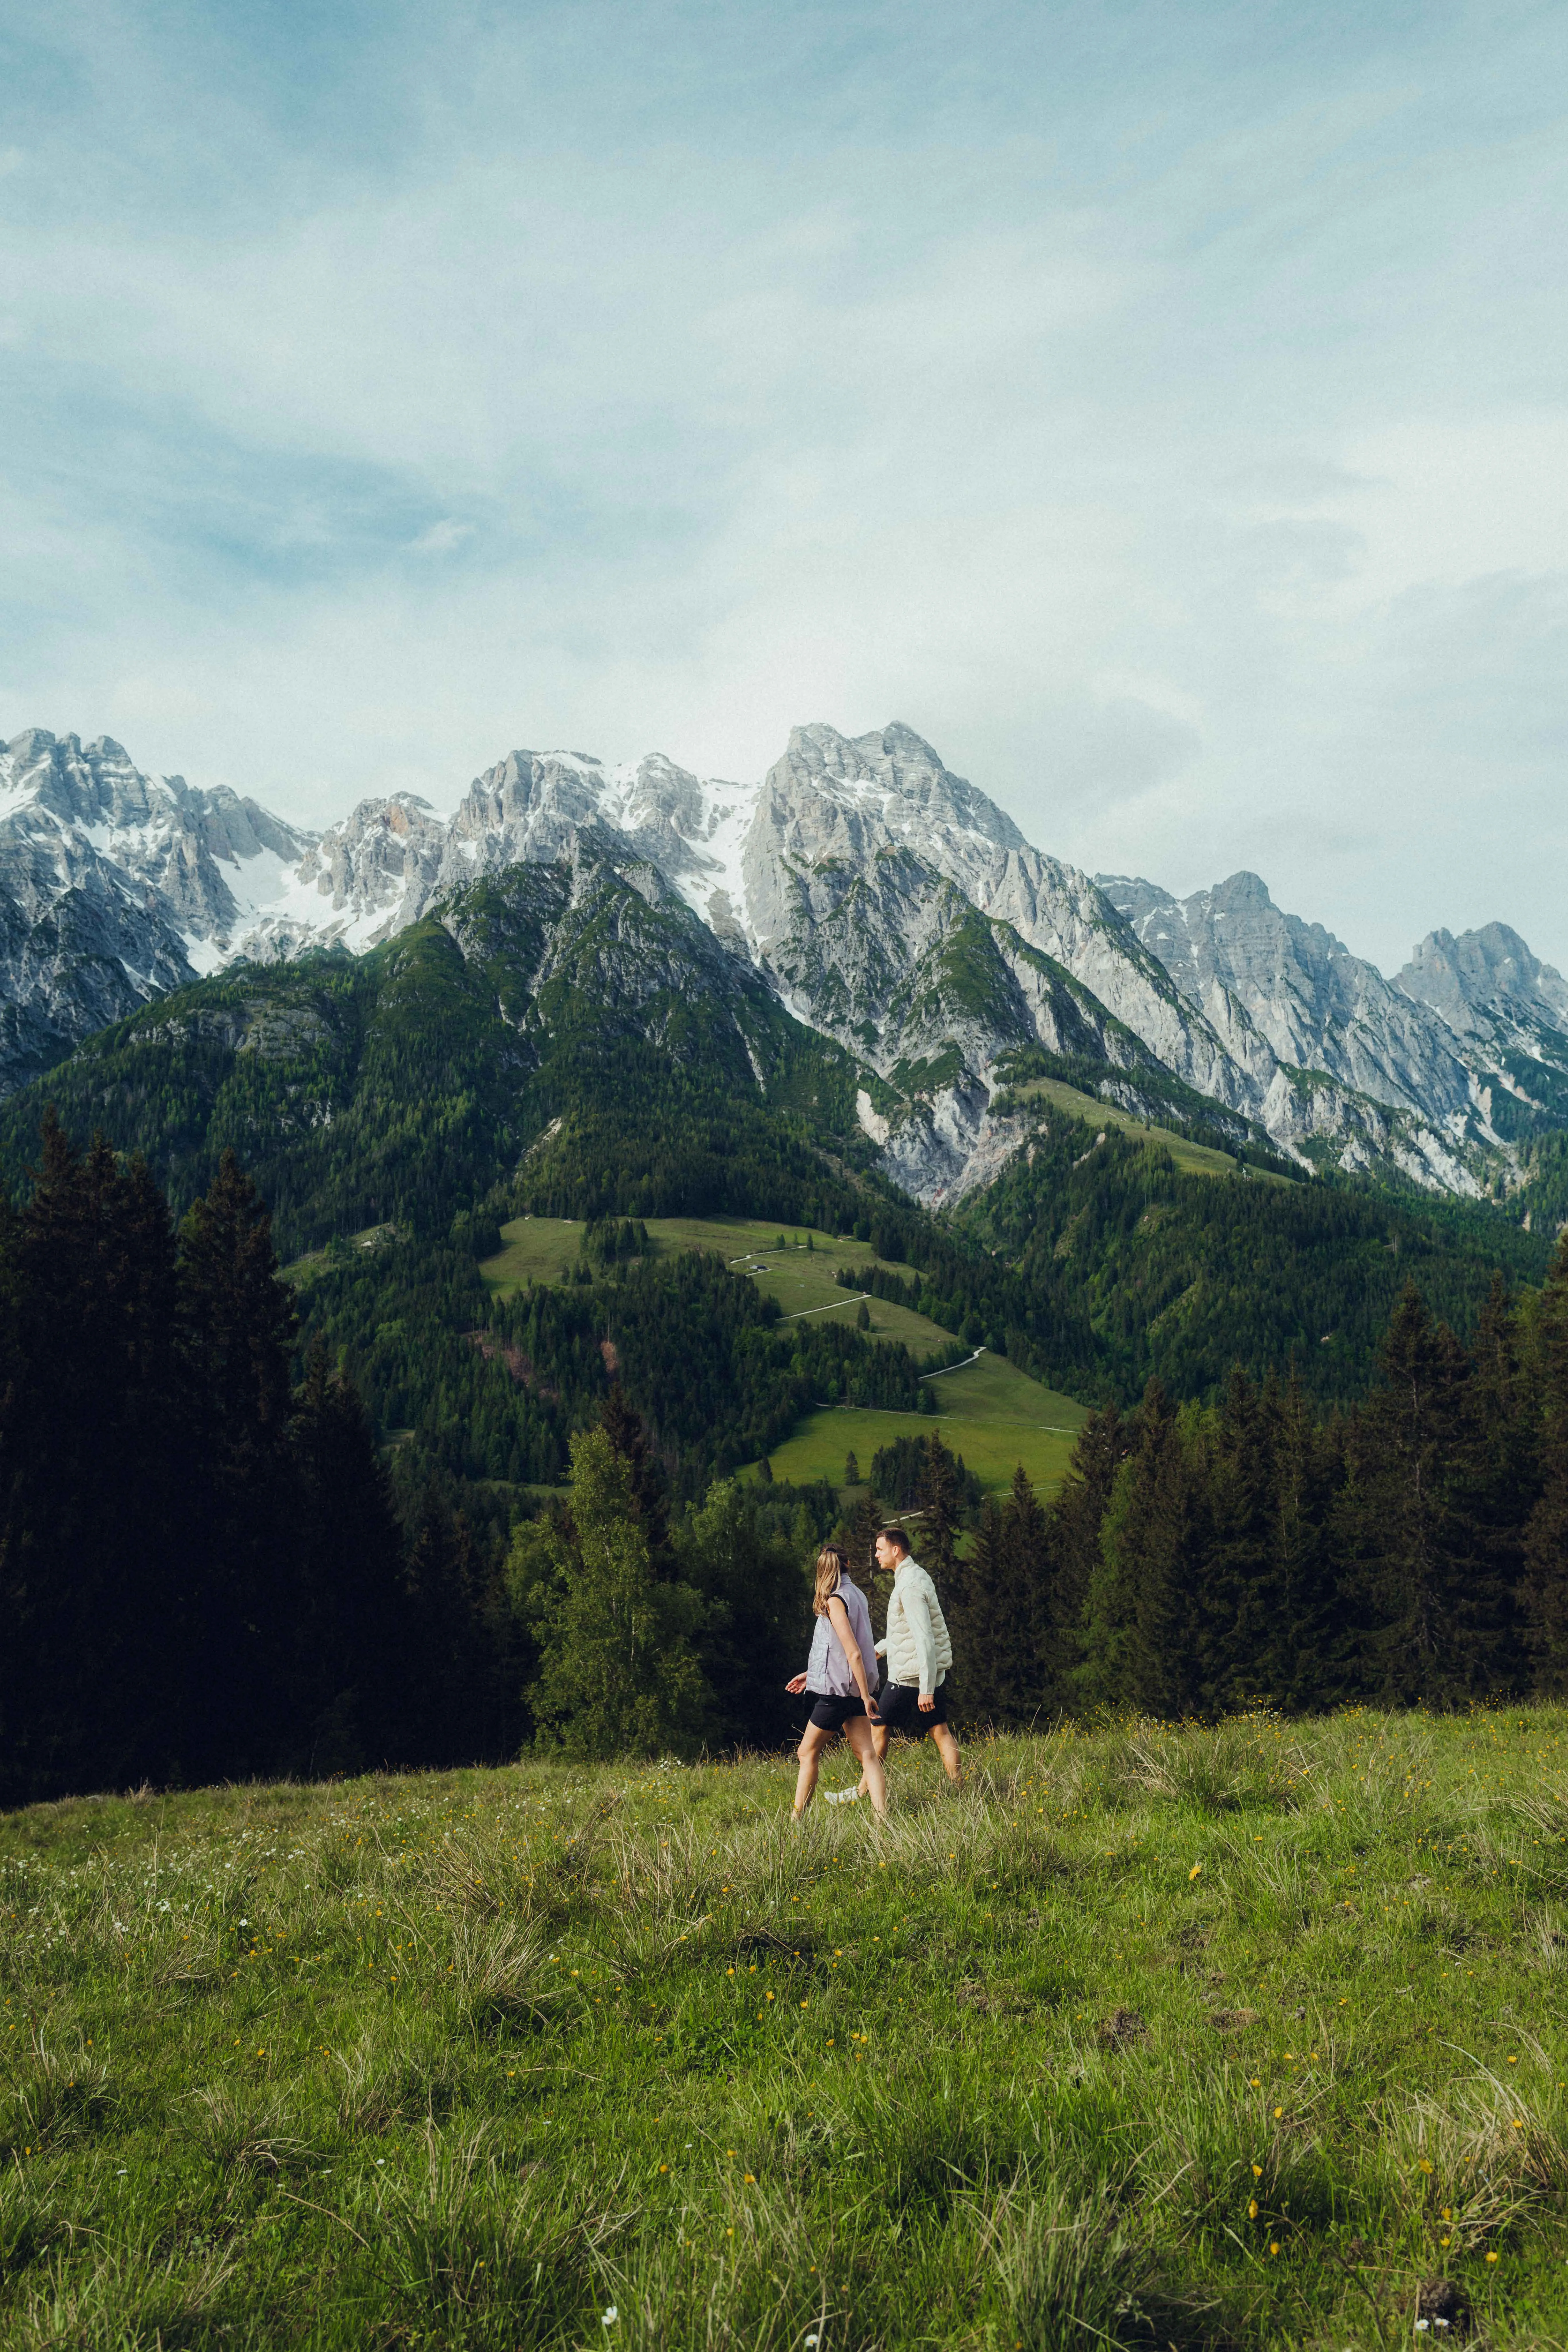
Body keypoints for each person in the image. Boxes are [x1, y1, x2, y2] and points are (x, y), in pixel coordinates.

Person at [784, 1545, 888, 1819]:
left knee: (806, 1752)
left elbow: (852, 1651)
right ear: (849, 1564)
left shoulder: (835, 1600)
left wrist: (866, 1697)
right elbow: (842, 1651)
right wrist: (811, 1675)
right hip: (853, 1687)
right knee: (867, 1753)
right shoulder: (857, 1595)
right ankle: (883, 1819)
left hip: (838, 1693)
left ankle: (796, 1820)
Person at [865, 1525, 961, 1785]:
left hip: (910, 1676)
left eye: (880, 1549)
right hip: (926, 1674)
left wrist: (926, 1689)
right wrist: (880, 1649)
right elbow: (912, 1630)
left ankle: (864, 1791)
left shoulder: (908, 1586)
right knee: (939, 1730)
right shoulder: (918, 1575)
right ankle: (959, 1787)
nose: (876, 1555)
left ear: (895, 1550)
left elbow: (924, 1638)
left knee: (878, 1728)